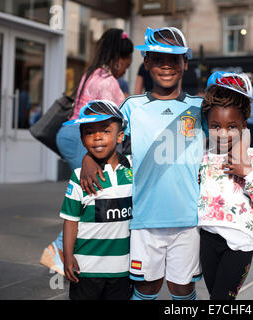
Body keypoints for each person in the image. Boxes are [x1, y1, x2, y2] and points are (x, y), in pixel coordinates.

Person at [80, 27, 203, 301]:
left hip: (189, 220)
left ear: (185, 63)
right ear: (146, 63)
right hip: (144, 219)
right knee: (146, 287)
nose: (167, 66)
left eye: (174, 59)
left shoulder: (199, 107)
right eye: (158, 59)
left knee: (183, 289)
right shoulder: (132, 107)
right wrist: (89, 157)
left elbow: (230, 139)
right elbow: (105, 138)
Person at [39, 28, 133, 276]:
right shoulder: (109, 81)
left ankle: (67, 249)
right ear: (120, 58)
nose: (125, 70)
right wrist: (88, 158)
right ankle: (58, 249)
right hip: (83, 137)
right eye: (127, 64)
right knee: (93, 189)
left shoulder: (91, 73)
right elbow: (115, 121)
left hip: (69, 133)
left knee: (90, 191)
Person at [198, 71, 253, 300]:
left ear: (243, 124)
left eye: (231, 126)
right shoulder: (202, 158)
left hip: (240, 244)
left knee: (222, 300)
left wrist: (247, 173)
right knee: (216, 298)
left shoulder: (252, 158)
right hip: (208, 238)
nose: (222, 133)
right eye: (215, 126)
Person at [59, 100, 133, 300]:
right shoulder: (78, 177)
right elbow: (71, 220)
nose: (98, 136)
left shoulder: (133, 170)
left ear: (120, 136)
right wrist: (67, 257)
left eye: (105, 130)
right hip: (86, 269)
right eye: (90, 132)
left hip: (123, 270)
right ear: (83, 139)